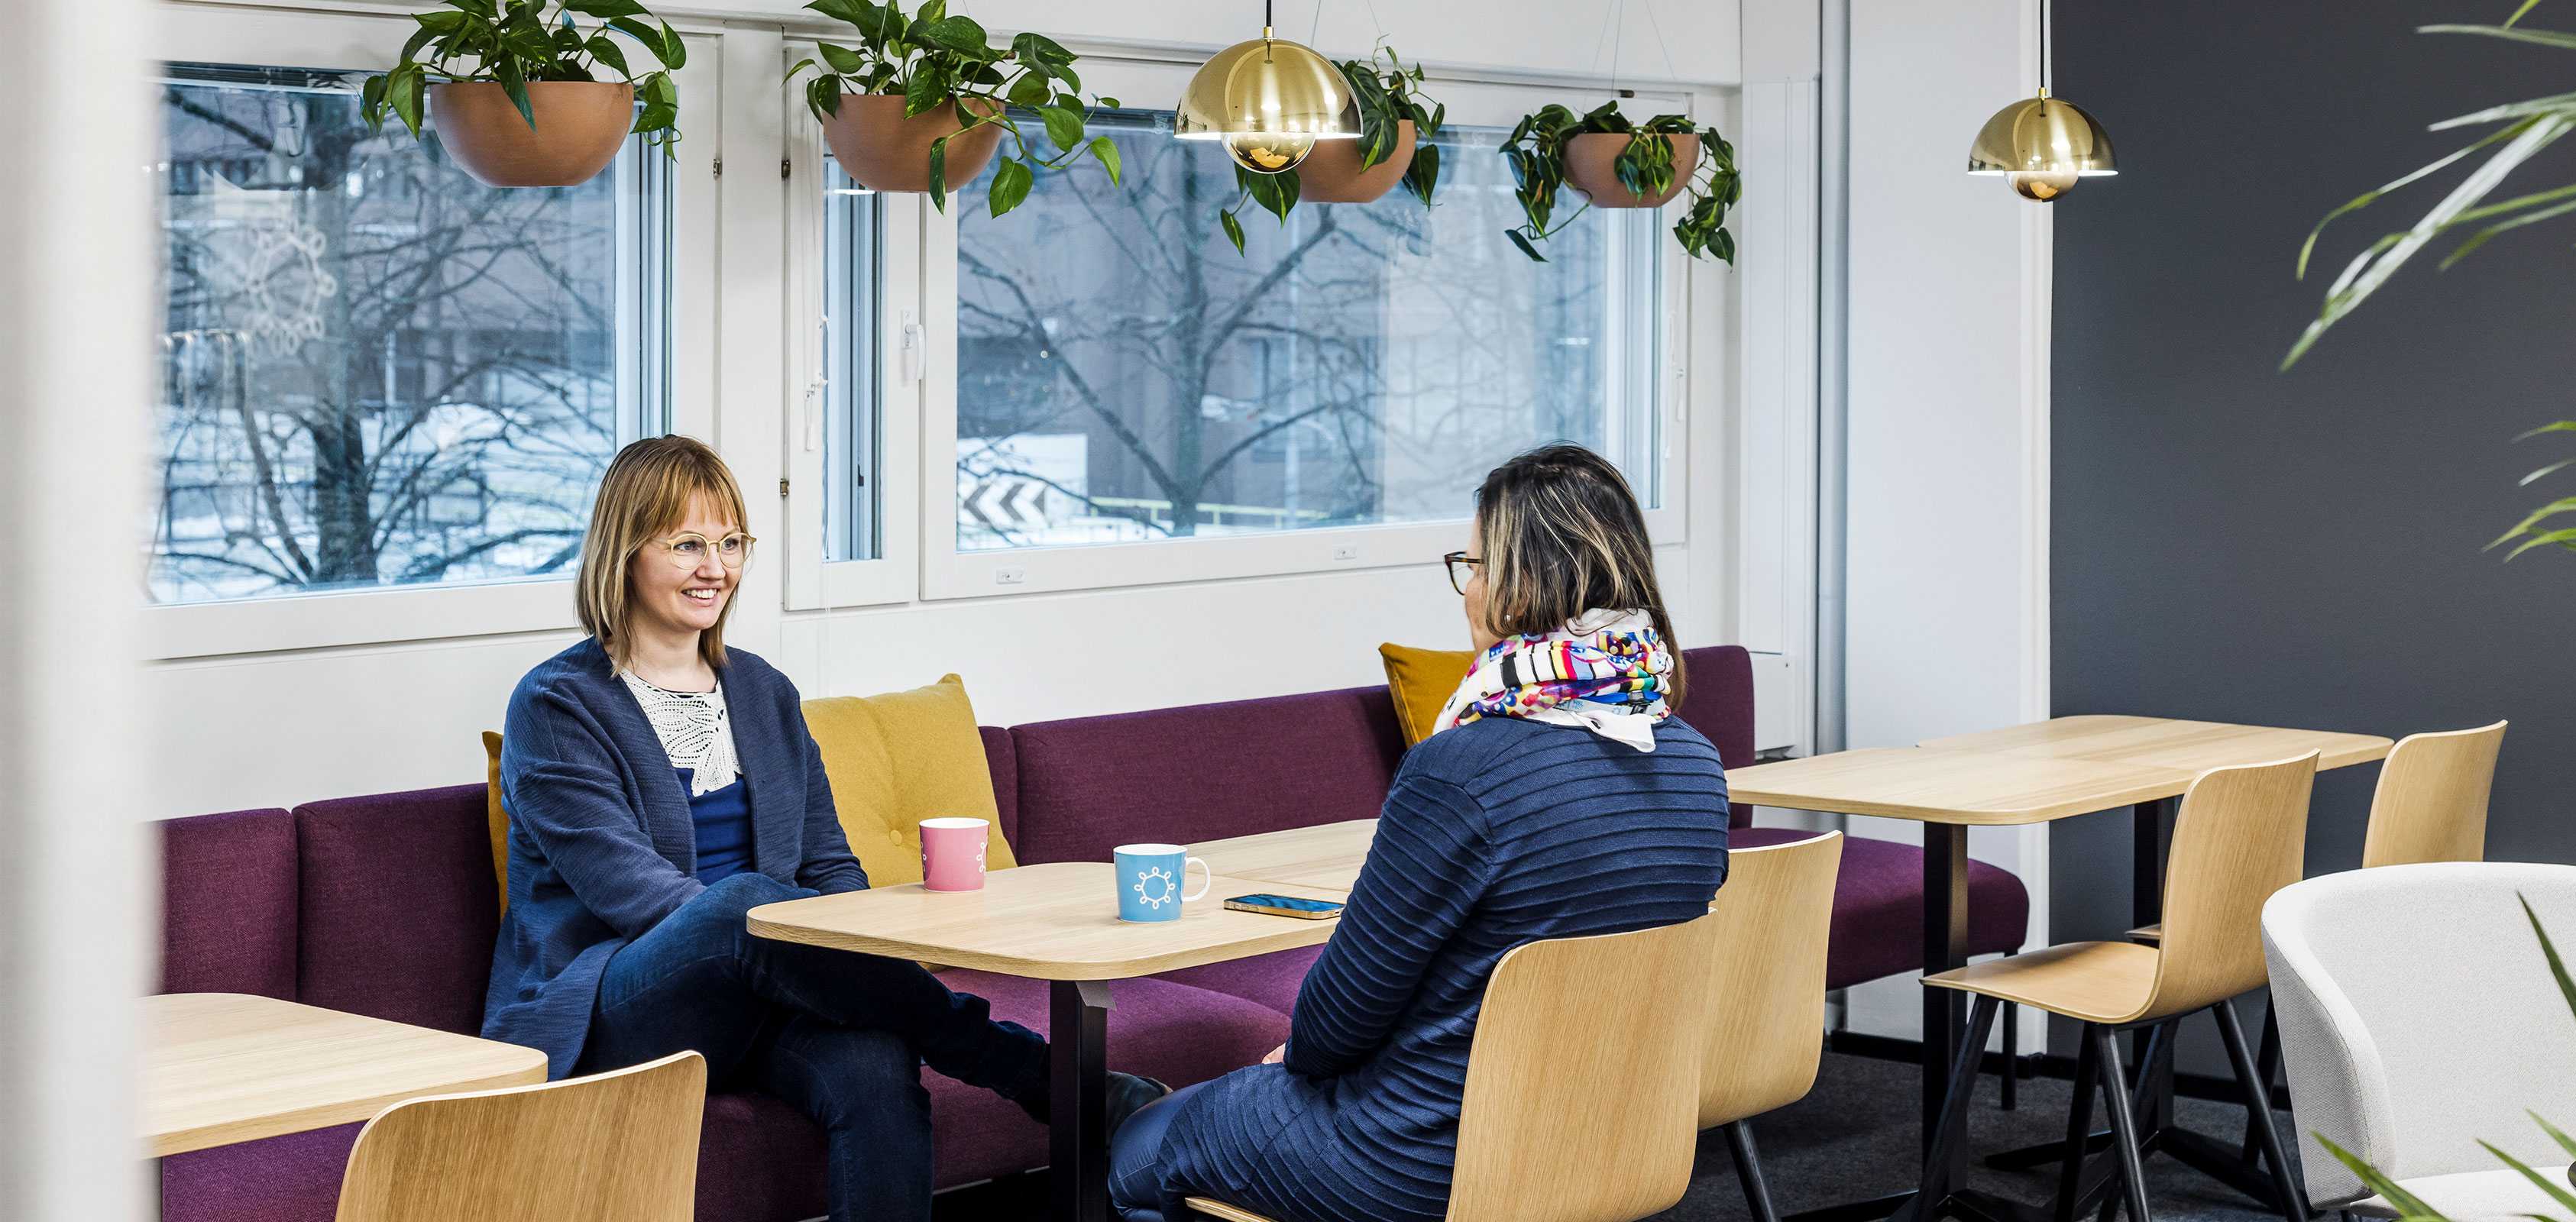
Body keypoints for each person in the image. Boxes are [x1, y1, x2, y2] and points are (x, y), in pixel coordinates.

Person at [483, 435, 1160, 1222]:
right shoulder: (556, 705)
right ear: (624, 552)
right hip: (617, 1008)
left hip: (772, 986)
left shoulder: (765, 692)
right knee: (736, 908)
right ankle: (1034, 1073)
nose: (717, 567)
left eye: (732, 543)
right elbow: (635, 896)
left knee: (874, 1063)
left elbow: (831, 865)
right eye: (689, 544)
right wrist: (793, 941)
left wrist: (843, 947)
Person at [1105, 443, 1735, 1222]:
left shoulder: (1459, 769)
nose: (1465, 591)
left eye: (1472, 566)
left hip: (1416, 1155)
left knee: (1138, 1147)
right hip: (1605, 1138)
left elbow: (1340, 1017)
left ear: (1518, 583)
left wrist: (1296, 1060)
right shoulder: (1696, 763)